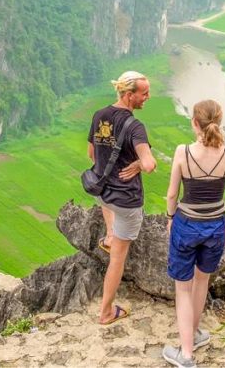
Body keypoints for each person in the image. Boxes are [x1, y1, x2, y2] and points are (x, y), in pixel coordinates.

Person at [162, 100, 225, 368]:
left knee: (182, 288)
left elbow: (172, 193)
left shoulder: (183, 152)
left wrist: (170, 218)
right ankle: (194, 335)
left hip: (187, 223)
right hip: (216, 224)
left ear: (195, 123)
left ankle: (185, 354)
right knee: (202, 281)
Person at [87, 70, 157, 325]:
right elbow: (149, 165)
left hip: (103, 193)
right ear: (129, 95)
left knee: (108, 208)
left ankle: (109, 234)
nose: (148, 97)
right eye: (144, 93)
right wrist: (139, 163)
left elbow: (92, 154)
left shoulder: (99, 115)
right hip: (126, 200)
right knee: (117, 259)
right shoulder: (135, 127)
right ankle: (106, 311)